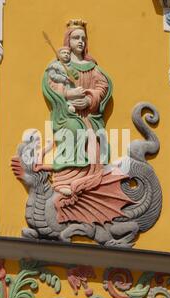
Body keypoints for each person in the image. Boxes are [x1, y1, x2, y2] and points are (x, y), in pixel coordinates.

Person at [42, 20, 132, 224]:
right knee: (73, 130)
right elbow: (51, 85)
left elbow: (103, 86)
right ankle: (64, 181)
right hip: (68, 115)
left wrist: (90, 99)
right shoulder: (59, 66)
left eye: (83, 38)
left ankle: (89, 182)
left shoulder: (92, 67)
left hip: (89, 117)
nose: (80, 41)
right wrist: (68, 94)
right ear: (68, 41)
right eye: (76, 37)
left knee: (94, 141)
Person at [45, 47, 78, 113]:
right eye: (64, 53)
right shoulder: (54, 65)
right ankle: (62, 104)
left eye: (68, 53)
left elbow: (76, 76)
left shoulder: (70, 67)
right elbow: (52, 75)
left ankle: (71, 104)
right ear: (59, 55)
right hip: (59, 85)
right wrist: (64, 79)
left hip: (69, 85)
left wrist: (73, 76)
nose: (66, 54)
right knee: (61, 87)